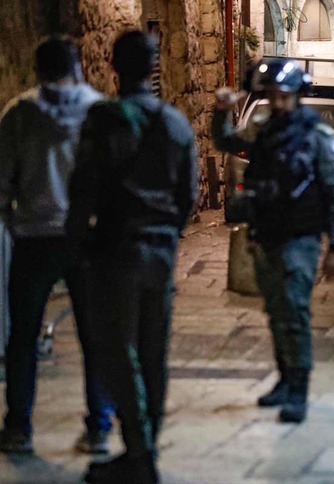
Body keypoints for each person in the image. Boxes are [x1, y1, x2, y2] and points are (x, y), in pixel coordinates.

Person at [66, 31, 198, 483]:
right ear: (155, 68)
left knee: (115, 352)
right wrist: (167, 233)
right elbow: (189, 197)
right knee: (152, 352)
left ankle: (139, 453)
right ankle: (145, 451)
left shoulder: (104, 119)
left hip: (114, 250)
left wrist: (76, 242)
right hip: (160, 252)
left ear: (114, 66)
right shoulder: (177, 123)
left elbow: (82, 187)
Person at [212, 58, 334, 426]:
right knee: (276, 312)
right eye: (272, 96)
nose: (276, 103)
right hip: (267, 235)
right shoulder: (263, 130)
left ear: (296, 97)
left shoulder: (316, 136)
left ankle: (299, 391)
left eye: (282, 96)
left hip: (301, 238)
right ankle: (285, 379)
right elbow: (225, 141)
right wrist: (221, 111)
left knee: (294, 310)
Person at [0, 36, 114, 455]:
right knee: (94, 336)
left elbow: (1, 181)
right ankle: (99, 427)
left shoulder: (18, 113)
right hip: (86, 237)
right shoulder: (100, 111)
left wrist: (14, 220)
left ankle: (18, 428)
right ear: (77, 66)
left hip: (33, 238)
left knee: (23, 337)